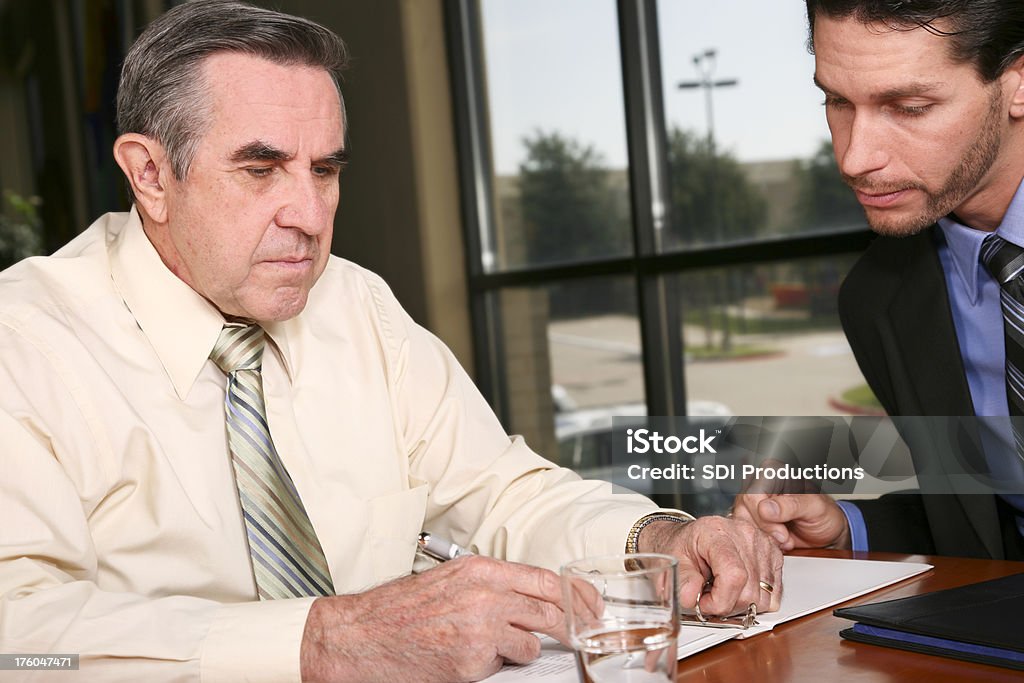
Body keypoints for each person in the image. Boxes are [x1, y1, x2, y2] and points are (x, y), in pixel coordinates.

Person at [0, 2, 781, 681]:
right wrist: (323, 643)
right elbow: (20, 640)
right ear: (150, 174)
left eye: (326, 170)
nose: (309, 215)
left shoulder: (356, 303)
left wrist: (660, 536)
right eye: (261, 169)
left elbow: (502, 493)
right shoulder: (23, 342)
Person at [733, 0, 1024, 560]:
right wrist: (849, 528)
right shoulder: (878, 300)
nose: (854, 158)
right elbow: (986, 520)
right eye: (837, 101)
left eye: (910, 107)